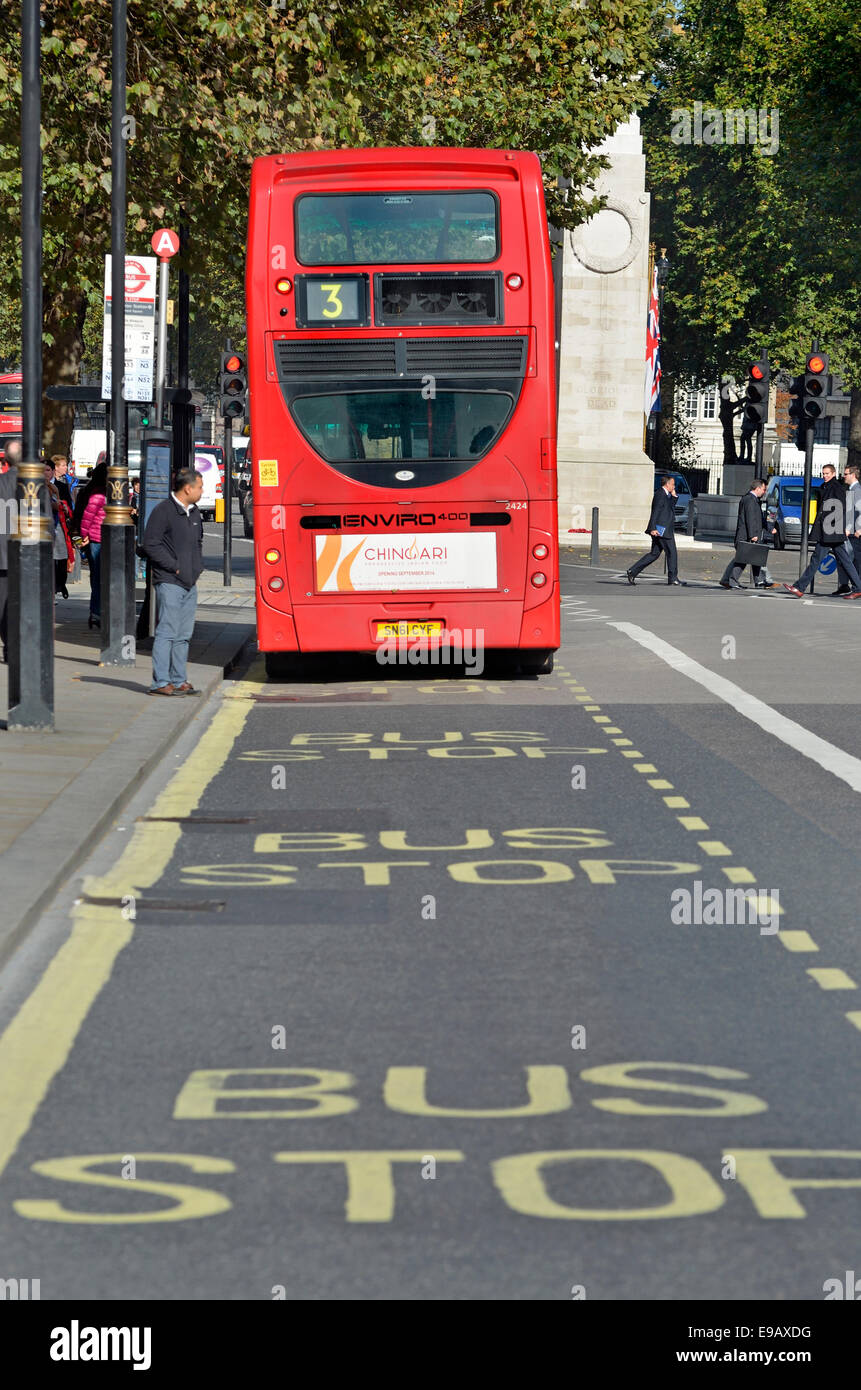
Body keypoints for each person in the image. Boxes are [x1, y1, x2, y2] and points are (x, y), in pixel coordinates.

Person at [142, 467, 204, 696]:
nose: (202, 491)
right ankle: (160, 682)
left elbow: (198, 543)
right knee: (167, 632)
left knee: (184, 634)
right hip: (169, 580)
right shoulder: (163, 511)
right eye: (199, 487)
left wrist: (197, 567)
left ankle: (179, 680)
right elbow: (151, 544)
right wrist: (174, 566)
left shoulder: (195, 512)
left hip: (189, 581)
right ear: (188, 488)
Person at [783, 463, 861, 598]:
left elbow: (841, 508)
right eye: (823, 473)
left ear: (833, 474)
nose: (824, 476)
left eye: (827, 474)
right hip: (831, 531)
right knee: (845, 561)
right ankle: (858, 588)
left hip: (830, 531)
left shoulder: (836, 487)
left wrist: (842, 527)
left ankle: (799, 587)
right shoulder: (828, 486)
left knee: (816, 559)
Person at [626, 473, 684, 585]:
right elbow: (655, 511)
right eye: (673, 484)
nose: (674, 486)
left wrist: (674, 495)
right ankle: (673, 578)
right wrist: (652, 528)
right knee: (672, 553)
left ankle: (633, 571)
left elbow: (670, 508)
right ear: (667, 484)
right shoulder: (660, 494)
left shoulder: (666, 494)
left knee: (654, 554)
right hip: (662, 530)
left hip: (662, 529)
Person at [73, 460, 107, 628]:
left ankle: (96, 612)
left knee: (97, 576)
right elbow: (84, 519)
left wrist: (80, 539)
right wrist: (82, 538)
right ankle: (97, 612)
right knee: (100, 576)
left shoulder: (89, 492)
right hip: (95, 539)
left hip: (92, 539)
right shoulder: (98, 495)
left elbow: (79, 518)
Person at [719, 478, 768, 589]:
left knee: (755, 557)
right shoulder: (750, 500)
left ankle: (758, 580)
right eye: (763, 489)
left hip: (748, 535)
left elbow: (757, 518)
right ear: (758, 488)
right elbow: (750, 518)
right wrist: (753, 535)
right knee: (742, 560)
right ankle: (733, 581)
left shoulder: (752, 499)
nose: (764, 492)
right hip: (746, 536)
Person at [0, 437, 20, 662]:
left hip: (2, 554)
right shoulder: (36, 486)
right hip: (27, 553)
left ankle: (9, 645)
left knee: (4, 603)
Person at [840, 463, 861, 594]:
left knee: (856, 561)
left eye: (846, 474)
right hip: (852, 531)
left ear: (853, 475)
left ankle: (857, 588)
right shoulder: (853, 489)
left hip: (856, 532)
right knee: (853, 560)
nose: (844, 476)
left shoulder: (857, 490)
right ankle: (855, 587)